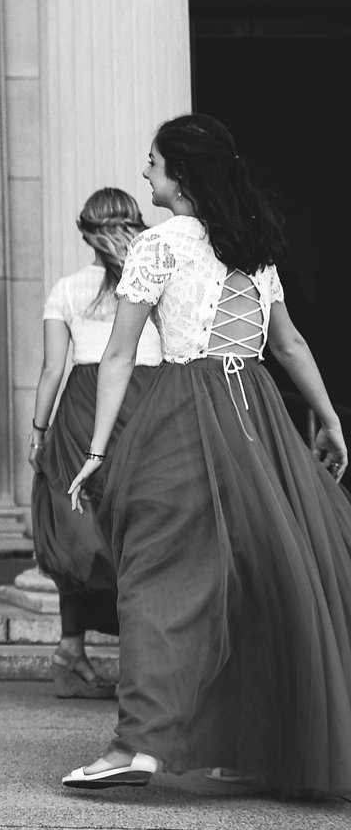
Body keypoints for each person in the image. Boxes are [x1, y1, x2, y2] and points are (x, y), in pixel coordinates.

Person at [62, 114, 351, 795]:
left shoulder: (158, 246)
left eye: (154, 162)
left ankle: (140, 744)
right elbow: (288, 346)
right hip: (260, 418)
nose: (145, 172)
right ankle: (249, 745)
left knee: (155, 570)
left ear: (180, 176)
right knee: (258, 576)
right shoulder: (253, 246)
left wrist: (97, 448)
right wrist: (332, 419)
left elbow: (120, 353)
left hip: (188, 412)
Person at [27, 188, 164, 700]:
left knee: (80, 530)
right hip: (146, 403)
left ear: (85, 232)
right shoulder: (156, 283)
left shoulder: (67, 288)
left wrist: (38, 431)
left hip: (82, 411)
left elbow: (50, 371)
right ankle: (145, 665)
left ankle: (71, 653)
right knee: (144, 531)